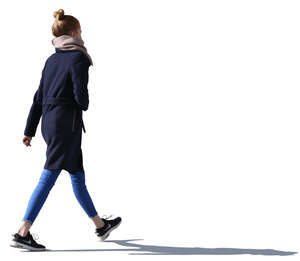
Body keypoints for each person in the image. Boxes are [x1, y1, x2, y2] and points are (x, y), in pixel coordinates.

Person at [10, 9, 122, 251]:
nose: (82, 34)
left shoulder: (51, 60)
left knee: (77, 175)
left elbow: (38, 97)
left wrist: (29, 129)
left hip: (49, 124)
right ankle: (22, 232)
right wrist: (83, 103)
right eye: (80, 30)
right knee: (48, 176)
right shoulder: (79, 58)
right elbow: (80, 97)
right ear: (73, 33)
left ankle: (100, 225)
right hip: (66, 125)